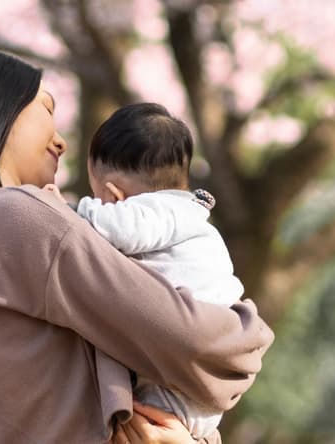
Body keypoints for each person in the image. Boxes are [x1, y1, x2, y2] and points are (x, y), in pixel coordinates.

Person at [0, 46, 274, 444]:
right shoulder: (14, 214)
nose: (60, 141)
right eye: (45, 109)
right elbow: (198, 341)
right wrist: (247, 330)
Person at [62, 102, 244, 440]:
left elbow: (119, 230)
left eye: (99, 197)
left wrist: (69, 209)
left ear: (114, 195)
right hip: (201, 386)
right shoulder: (190, 215)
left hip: (172, 388)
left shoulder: (153, 214)